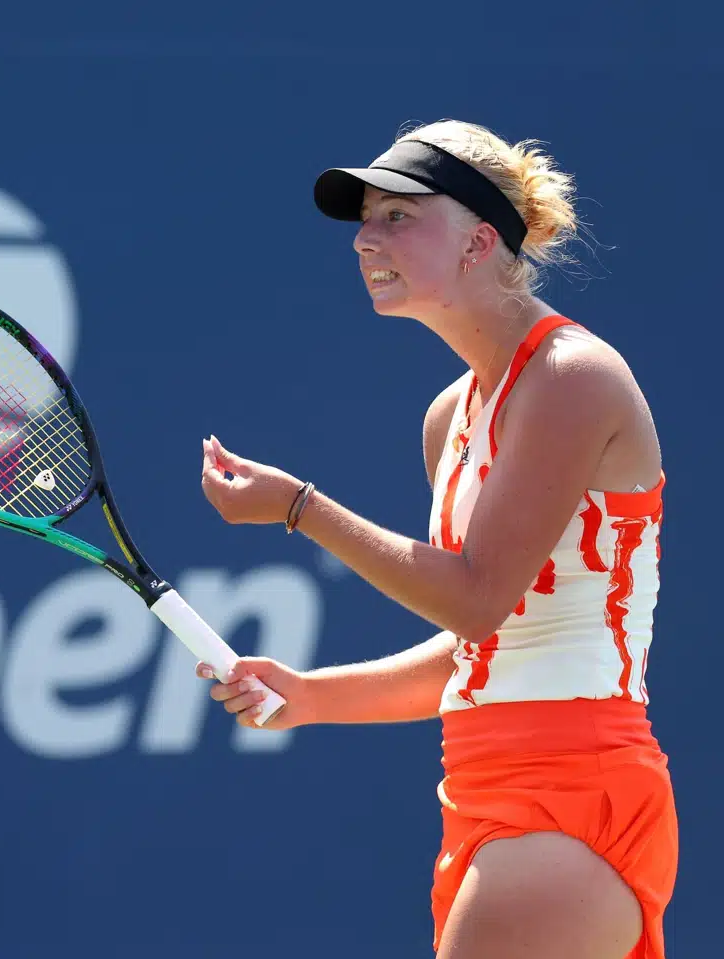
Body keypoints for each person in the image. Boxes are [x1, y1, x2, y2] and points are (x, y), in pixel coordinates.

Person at [196, 120, 678, 959]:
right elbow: (482, 645)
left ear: (479, 242)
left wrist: (301, 507)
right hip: (479, 786)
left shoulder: (573, 378)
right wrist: (311, 695)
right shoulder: (448, 418)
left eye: (398, 216)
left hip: (573, 789)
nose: (365, 240)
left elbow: (477, 598)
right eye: (365, 221)